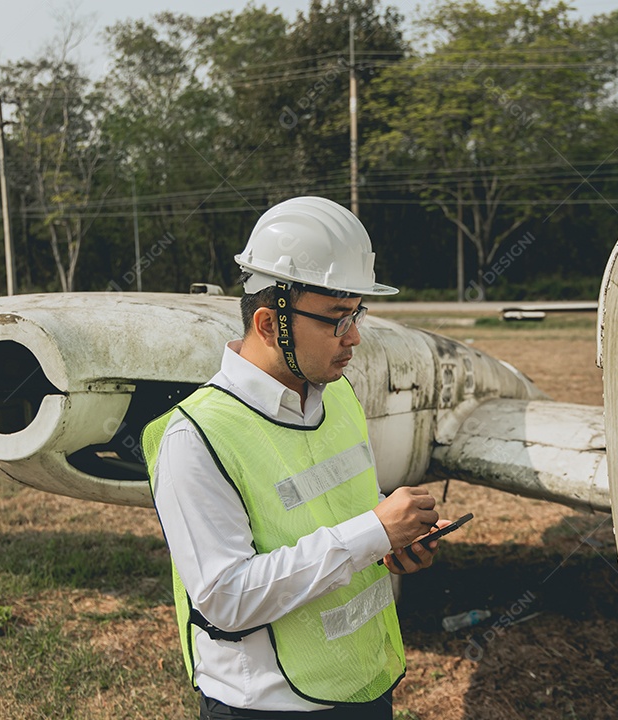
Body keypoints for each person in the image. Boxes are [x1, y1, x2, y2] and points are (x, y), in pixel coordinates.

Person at [142, 196, 448, 719]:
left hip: (364, 685)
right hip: (270, 706)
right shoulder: (196, 436)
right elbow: (225, 599)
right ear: (268, 324)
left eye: (356, 313)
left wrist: (395, 541)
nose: (353, 336)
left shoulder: (338, 396)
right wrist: (373, 532)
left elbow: (339, 505)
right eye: (335, 318)